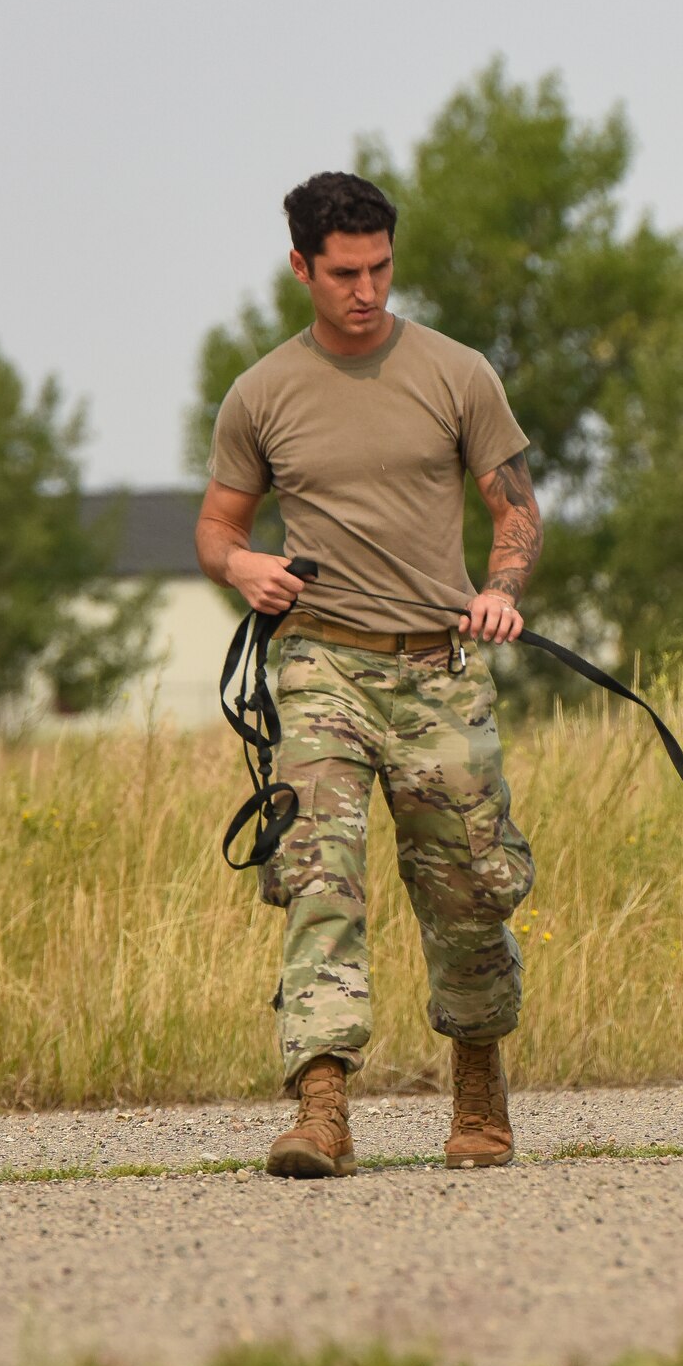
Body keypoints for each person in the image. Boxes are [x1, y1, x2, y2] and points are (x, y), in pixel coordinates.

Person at [195, 170, 542, 1178]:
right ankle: (322, 1103)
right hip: (320, 665)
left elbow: (513, 505)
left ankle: (477, 1081)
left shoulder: (455, 372)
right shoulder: (263, 392)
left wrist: (502, 585)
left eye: (381, 266)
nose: (367, 288)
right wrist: (243, 564)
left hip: (437, 666)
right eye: (345, 271)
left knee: (472, 884)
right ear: (302, 265)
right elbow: (219, 528)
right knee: (316, 877)